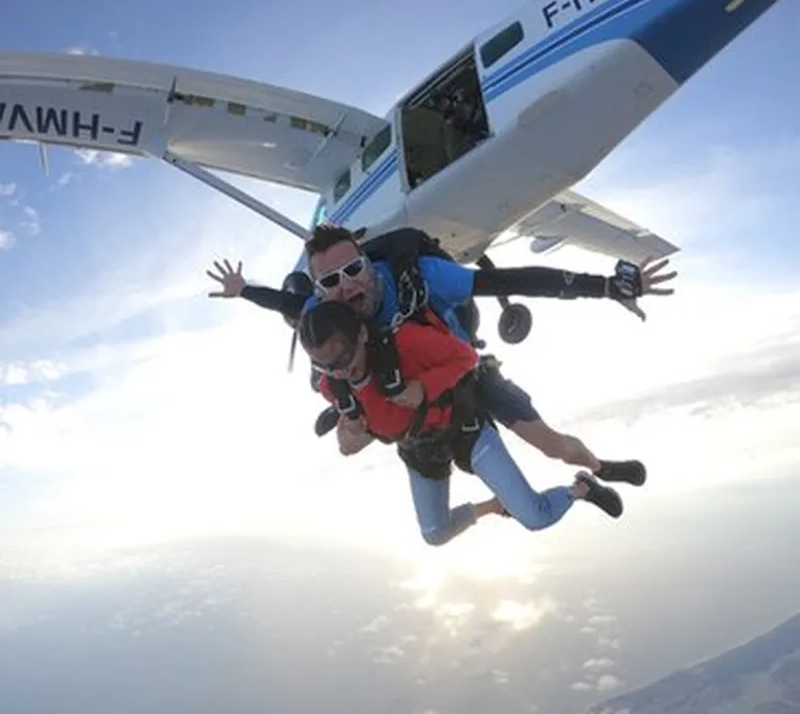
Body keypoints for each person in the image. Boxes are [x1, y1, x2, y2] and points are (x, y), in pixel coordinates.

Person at [207, 224, 676, 486]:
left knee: (555, 447)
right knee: (340, 412)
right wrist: (243, 290)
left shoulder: (422, 277)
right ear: (320, 289)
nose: (346, 285)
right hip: (399, 392)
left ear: (371, 265)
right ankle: (342, 410)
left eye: (353, 269)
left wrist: (608, 287)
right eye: (330, 281)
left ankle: (598, 469)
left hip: (462, 372)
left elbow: (512, 280)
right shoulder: (321, 308)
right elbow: (286, 305)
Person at [298, 299, 624, 546]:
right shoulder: (334, 385)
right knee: (435, 534)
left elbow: (465, 357)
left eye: (342, 358)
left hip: (464, 432)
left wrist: (423, 388)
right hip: (421, 450)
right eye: (324, 365)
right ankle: (496, 506)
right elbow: (351, 442)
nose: (340, 370)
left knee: (535, 516)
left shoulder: (404, 343)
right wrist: (351, 426)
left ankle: (581, 489)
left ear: (362, 334)